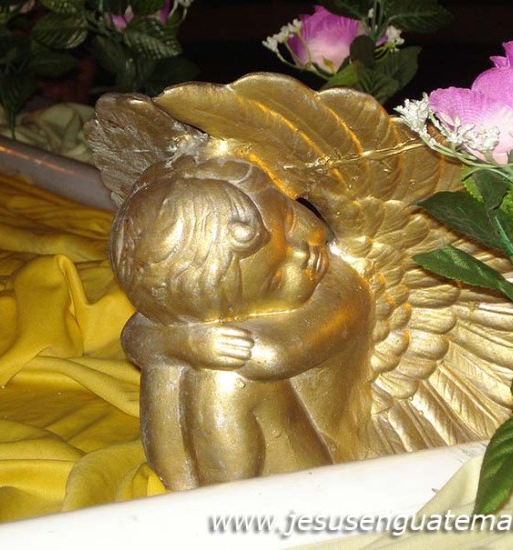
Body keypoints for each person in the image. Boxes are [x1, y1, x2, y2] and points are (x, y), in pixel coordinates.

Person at [114, 155, 371, 490]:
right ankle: (183, 489)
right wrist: (188, 343)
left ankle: (223, 498)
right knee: (165, 368)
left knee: (225, 375)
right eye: (276, 280)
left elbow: (274, 354)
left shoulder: (342, 289)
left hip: (312, 478)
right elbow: (135, 335)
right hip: (228, 468)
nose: (302, 253)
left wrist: (189, 344)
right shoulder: (207, 321)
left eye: (289, 220)